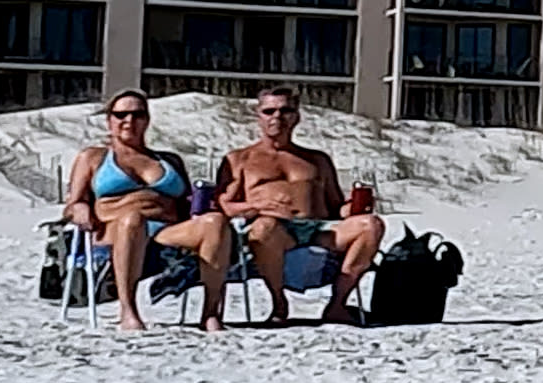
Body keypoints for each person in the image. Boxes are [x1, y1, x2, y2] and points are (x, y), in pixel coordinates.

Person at [213, 84, 388, 325]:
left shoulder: (316, 159)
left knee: (371, 226)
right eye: (269, 111)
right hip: (274, 231)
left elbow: (335, 205)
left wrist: (353, 209)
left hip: (318, 229)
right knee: (264, 229)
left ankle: (337, 304)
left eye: (285, 111)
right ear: (258, 116)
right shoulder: (240, 159)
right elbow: (224, 205)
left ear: (296, 116)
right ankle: (278, 302)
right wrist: (256, 207)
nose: (277, 117)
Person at [64, 91, 239, 331]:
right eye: (121, 115)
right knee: (132, 219)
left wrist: (204, 206)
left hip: (164, 230)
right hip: (113, 229)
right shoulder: (93, 157)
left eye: (137, 114)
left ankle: (210, 313)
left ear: (147, 120)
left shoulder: (169, 160)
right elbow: (72, 204)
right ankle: (128, 310)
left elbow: (187, 204)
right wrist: (81, 208)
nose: (129, 121)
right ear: (109, 120)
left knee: (215, 223)